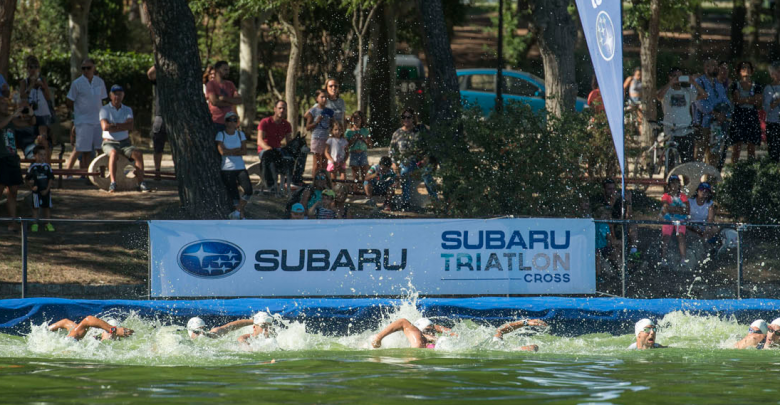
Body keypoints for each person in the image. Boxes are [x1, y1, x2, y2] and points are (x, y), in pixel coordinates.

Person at [99, 85, 149, 193]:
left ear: (123, 95)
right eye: (115, 94)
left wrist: (114, 125)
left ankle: (141, 182)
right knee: (113, 153)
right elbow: (105, 127)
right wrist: (122, 126)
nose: (117, 96)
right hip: (109, 142)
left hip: (125, 142)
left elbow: (130, 126)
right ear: (110, 95)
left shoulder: (127, 109)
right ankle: (113, 183)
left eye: (120, 94)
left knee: (138, 154)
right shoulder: (104, 109)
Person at [656, 67, 708, 164]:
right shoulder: (666, 91)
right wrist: (671, 82)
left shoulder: (687, 91)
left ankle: (686, 179)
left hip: (686, 130)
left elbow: (704, 95)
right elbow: (659, 96)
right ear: (670, 77)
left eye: (680, 76)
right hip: (670, 131)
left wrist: (693, 82)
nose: (678, 78)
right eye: (675, 76)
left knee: (687, 163)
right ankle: (671, 178)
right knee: (670, 162)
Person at [65, 58, 107, 174]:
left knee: (101, 149)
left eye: (88, 68)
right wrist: (77, 115)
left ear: (94, 68)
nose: (86, 70)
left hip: (98, 121)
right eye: (83, 68)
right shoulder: (77, 83)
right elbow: (69, 101)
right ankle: (88, 175)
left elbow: (102, 101)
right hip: (83, 122)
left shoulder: (100, 82)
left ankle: (102, 175)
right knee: (84, 150)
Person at [390, 108, 437, 210]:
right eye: (404, 117)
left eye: (408, 117)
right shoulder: (397, 133)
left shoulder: (420, 130)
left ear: (413, 118)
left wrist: (426, 158)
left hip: (420, 161)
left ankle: (436, 201)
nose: (406, 119)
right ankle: (406, 202)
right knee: (404, 172)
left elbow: (430, 146)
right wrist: (394, 164)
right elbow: (392, 152)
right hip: (406, 162)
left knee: (427, 175)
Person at [693, 59, 731, 163]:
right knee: (699, 154)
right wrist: (714, 113)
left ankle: (709, 179)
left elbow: (726, 101)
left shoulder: (718, 84)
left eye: (716, 66)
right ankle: (695, 178)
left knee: (714, 155)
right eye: (712, 66)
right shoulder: (699, 82)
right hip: (703, 124)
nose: (715, 68)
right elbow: (698, 102)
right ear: (706, 68)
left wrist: (724, 114)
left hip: (716, 125)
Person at [216, 112, 251, 219]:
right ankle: (241, 215)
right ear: (225, 122)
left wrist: (230, 151)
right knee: (234, 193)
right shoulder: (221, 134)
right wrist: (236, 150)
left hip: (240, 166)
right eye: (229, 120)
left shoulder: (241, 134)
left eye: (235, 120)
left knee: (248, 190)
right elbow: (222, 152)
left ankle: (237, 212)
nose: (232, 122)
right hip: (227, 168)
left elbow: (244, 151)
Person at [18, 55, 54, 157]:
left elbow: (48, 97)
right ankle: (33, 158)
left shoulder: (42, 79)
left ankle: (47, 164)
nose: (33, 70)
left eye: (36, 67)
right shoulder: (24, 82)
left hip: (43, 113)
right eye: (31, 67)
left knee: (44, 139)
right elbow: (23, 96)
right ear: (27, 68)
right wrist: (31, 84)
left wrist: (42, 86)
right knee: (32, 140)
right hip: (30, 114)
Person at [729, 61, 763, 163]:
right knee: (737, 146)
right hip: (739, 115)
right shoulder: (736, 84)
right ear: (739, 71)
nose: (746, 70)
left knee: (751, 147)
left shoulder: (756, 85)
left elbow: (758, 102)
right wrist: (750, 99)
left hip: (751, 115)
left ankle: (750, 169)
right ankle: (734, 168)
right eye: (743, 68)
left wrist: (743, 99)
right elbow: (736, 100)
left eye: (748, 68)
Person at [1, 99, 25, 232]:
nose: (6, 106)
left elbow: (29, 123)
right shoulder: (6, 120)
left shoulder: (11, 121)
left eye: (6, 104)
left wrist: (31, 114)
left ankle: (12, 222)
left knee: (13, 191)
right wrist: (12, 115)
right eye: (3, 104)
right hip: (1, 158)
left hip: (12, 158)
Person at [257, 100, 293, 190]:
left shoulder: (287, 124)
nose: (282, 110)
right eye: (280, 108)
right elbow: (259, 141)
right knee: (269, 156)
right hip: (265, 150)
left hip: (278, 150)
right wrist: (270, 149)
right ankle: (270, 185)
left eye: (284, 108)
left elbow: (289, 142)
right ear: (275, 109)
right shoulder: (265, 122)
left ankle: (294, 181)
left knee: (294, 156)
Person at [601, 178, 638, 259]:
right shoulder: (600, 199)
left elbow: (628, 217)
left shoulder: (619, 201)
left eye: (613, 189)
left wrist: (629, 203)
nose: (612, 191)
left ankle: (633, 250)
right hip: (605, 229)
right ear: (604, 189)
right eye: (609, 189)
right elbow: (606, 216)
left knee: (632, 224)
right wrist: (612, 203)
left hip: (616, 226)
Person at [660, 175, 690, 266]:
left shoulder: (683, 196)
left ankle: (683, 259)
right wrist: (680, 209)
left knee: (681, 236)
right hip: (669, 219)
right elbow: (665, 209)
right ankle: (663, 258)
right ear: (669, 185)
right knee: (665, 237)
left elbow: (687, 210)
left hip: (680, 220)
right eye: (672, 183)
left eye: (676, 182)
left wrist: (672, 208)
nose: (674, 185)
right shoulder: (665, 196)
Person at [304, 89, 333, 178]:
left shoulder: (329, 111)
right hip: (316, 138)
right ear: (317, 99)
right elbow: (308, 127)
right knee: (316, 163)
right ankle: (314, 183)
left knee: (324, 163)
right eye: (322, 97)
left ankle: (323, 183)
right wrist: (316, 122)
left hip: (326, 139)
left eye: (326, 97)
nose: (324, 99)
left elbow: (332, 124)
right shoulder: (313, 111)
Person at [370, 318, 452, 349]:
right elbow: (402, 322)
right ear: (418, 331)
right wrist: (378, 338)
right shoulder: (418, 341)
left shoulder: (434, 342)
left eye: (433, 331)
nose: (431, 333)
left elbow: (455, 335)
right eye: (427, 331)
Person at [205, 61, 241, 132]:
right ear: (217, 70)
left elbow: (239, 100)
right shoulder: (211, 84)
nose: (227, 72)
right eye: (225, 70)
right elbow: (214, 102)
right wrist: (231, 101)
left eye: (228, 70)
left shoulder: (230, 84)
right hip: (216, 122)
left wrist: (223, 98)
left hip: (230, 123)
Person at [25, 145, 54, 232]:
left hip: (46, 191)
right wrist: (31, 187)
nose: (43, 157)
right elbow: (27, 179)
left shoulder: (47, 167)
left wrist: (47, 189)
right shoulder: (33, 167)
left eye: (44, 155)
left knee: (47, 207)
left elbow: (51, 179)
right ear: (35, 155)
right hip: (36, 192)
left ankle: (47, 223)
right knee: (35, 208)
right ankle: (35, 224)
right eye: (40, 154)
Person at [147, 66, 168, 180]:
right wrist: (158, 63)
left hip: (176, 118)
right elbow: (150, 74)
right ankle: (157, 171)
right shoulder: (160, 80)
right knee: (158, 146)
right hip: (160, 116)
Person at [49, 316, 134, 342]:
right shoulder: (71, 342)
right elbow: (88, 319)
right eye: (107, 331)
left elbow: (65, 322)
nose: (110, 334)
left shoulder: (88, 339)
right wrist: (113, 329)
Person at [346, 111, 370, 185]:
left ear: (361, 120)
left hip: (363, 153)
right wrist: (353, 139)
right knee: (355, 173)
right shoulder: (348, 132)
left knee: (364, 172)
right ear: (352, 119)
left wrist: (364, 139)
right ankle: (356, 188)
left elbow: (370, 144)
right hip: (354, 153)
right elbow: (347, 145)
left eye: (358, 118)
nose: (356, 120)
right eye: (354, 118)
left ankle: (364, 187)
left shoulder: (365, 131)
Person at [763, 62, 780, 162]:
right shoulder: (769, 88)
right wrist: (777, 101)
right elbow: (766, 108)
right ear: (772, 74)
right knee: (774, 153)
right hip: (774, 123)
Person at [185, 316, 254, 340]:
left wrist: (254, 321)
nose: (201, 333)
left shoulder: (213, 335)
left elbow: (233, 325)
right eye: (197, 331)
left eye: (203, 329)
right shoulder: (186, 344)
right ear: (191, 331)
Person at [710, 102, 731, 170]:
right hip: (715, 146)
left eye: (724, 114)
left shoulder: (726, 124)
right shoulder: (713, 124)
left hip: (722, 145)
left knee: (721, 158)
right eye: (721, 114)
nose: (723, 116)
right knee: (713, 157)